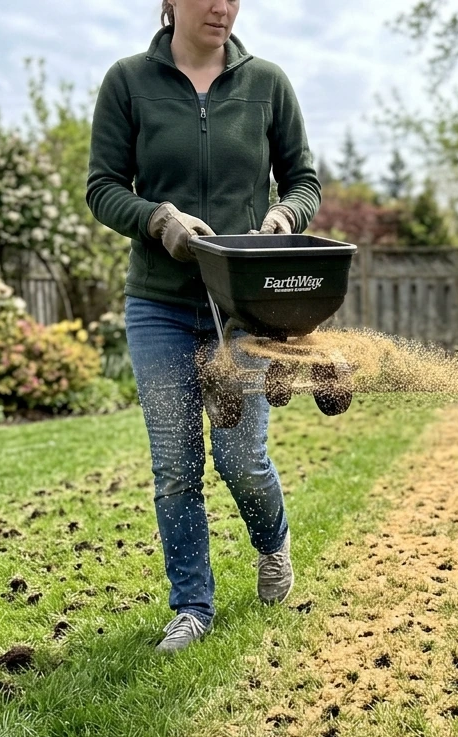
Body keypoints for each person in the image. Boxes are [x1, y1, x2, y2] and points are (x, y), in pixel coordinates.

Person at [86, 0, 321, 653]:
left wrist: (283, 219)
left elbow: (304, 181)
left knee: (241, 457)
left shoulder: (266, 83)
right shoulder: (129, 81)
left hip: (243, 308)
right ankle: (192, 604)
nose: (222, 6)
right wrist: (158, 219)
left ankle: (272, 544)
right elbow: (103, 186)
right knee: (174, 465)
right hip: (159, 302)